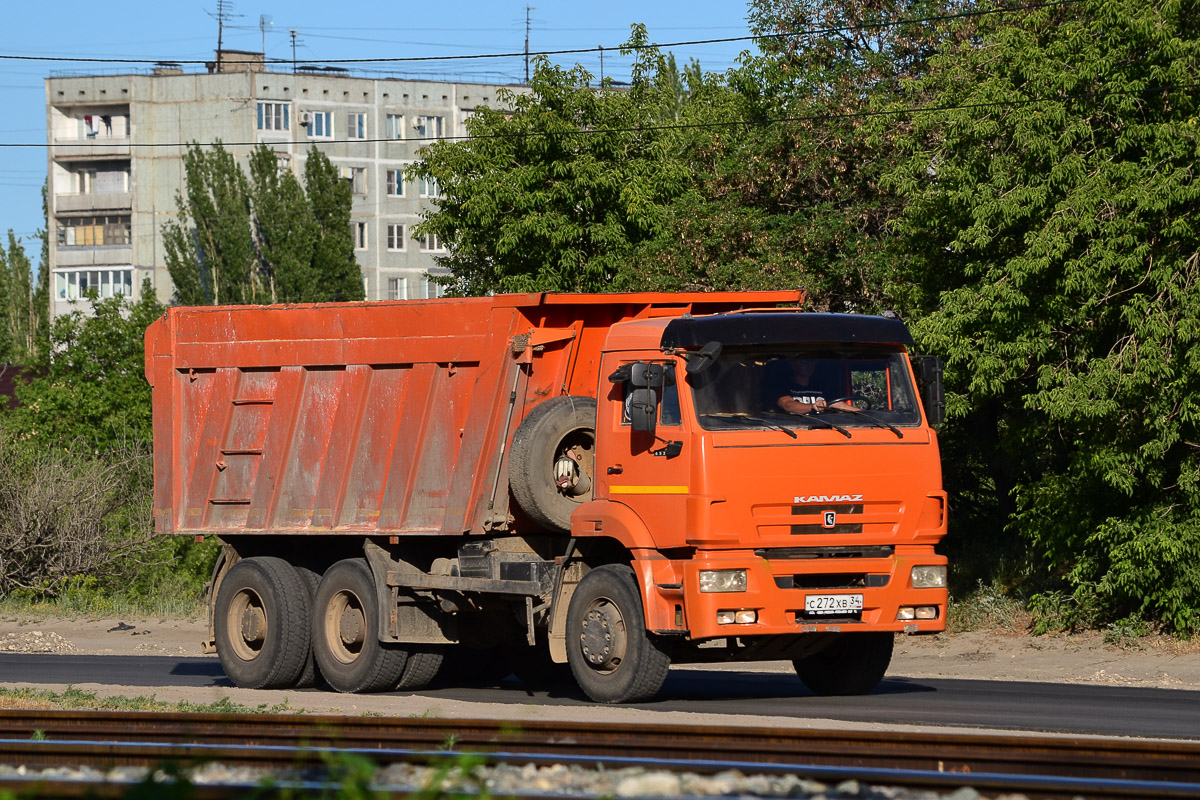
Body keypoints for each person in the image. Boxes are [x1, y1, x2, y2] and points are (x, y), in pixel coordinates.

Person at [764, 358, 853, 415]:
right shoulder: (783, 387)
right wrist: (811, 407)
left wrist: (864, 414)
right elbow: (787, 405)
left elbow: (837, 404)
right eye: (804, 362)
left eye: (812, 362)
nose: (810, 366)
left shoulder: (822, 387)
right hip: (796, 429)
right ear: (793, 365)